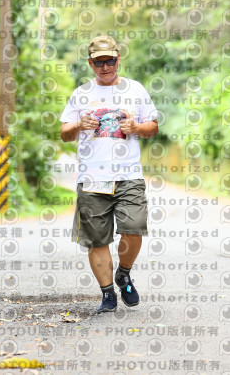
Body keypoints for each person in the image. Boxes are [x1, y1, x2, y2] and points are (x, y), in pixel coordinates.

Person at [60, 36, 159, 313]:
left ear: (118, 59)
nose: (105, 67)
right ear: (90, 63)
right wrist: (79, 125)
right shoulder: (81, 94)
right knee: (97, 239)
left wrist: (136, 128)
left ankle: (123, 274)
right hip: (92, 178)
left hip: (129, 175)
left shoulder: (136, 89)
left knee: (134, 228)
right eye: (99, 62)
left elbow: (153, 127)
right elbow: (64, 134)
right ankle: (107, 294)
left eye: (110, 61)